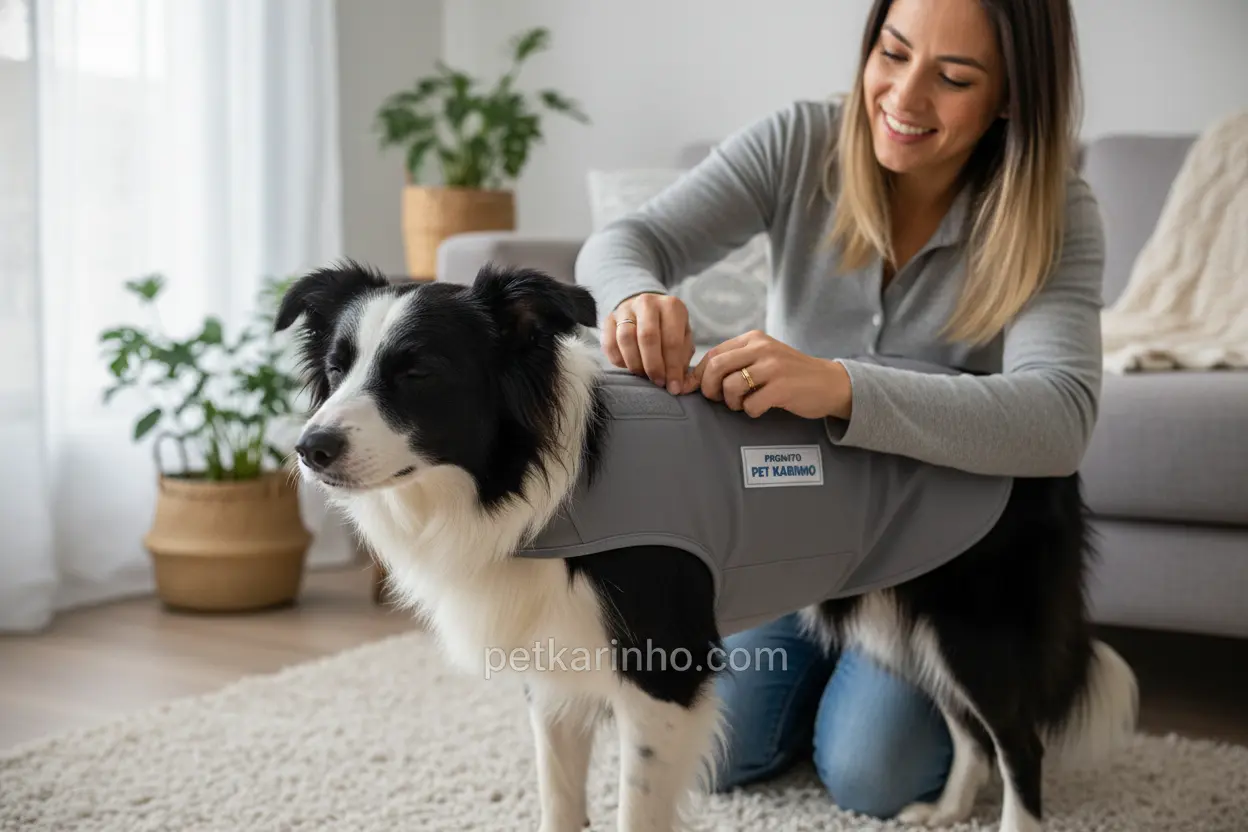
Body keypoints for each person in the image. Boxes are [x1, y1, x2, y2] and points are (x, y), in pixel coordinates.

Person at [573, 0, 1103, 820]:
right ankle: (831, 670)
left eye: (954, 78)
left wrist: (843, 385)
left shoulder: (1054, 211)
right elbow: (625, 240)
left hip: (927, 556)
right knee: (719, 754)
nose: (904, 97)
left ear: (1009, 97)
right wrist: (636, 295)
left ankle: (993, 682)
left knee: (871, 775)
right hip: (782, 528)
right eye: (892, 53)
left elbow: (1059, 418)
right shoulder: (800, 142)